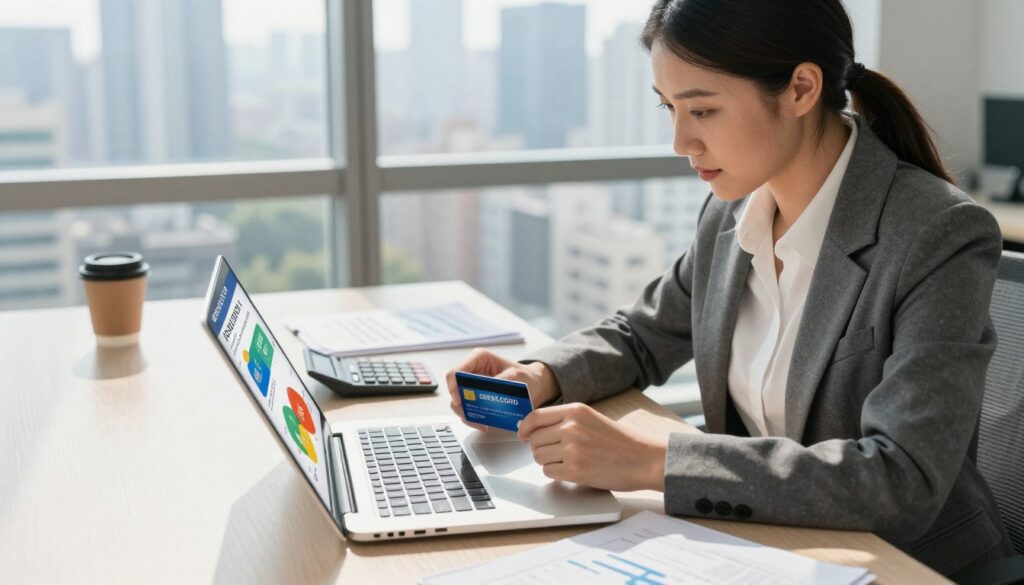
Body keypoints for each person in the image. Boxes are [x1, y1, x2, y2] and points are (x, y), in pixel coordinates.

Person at [446, 0, 1012, 576]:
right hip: (765, 547)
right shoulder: (732, 213)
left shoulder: (936, 234)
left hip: (905, 567)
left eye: (703, 110)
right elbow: (644, 334)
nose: (680, 141)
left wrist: (653, 461)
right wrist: (541, 374)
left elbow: (903, 480)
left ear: (800, 89)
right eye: (669, 108)